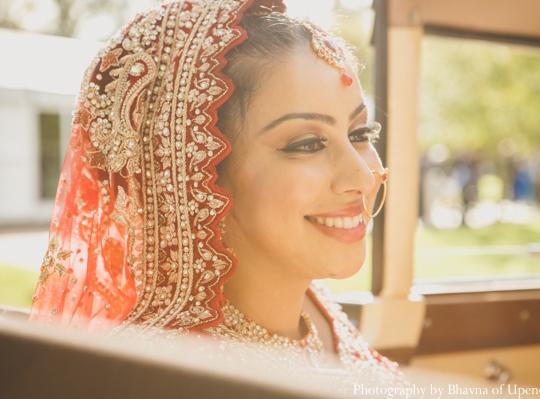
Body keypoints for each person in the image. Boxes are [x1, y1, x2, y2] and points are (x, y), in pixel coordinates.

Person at [29, 0, 404, 389]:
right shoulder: (171, 377)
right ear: (196, 175)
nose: (363, 177)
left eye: (361, 134)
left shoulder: (312, 302)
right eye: (308, 144)